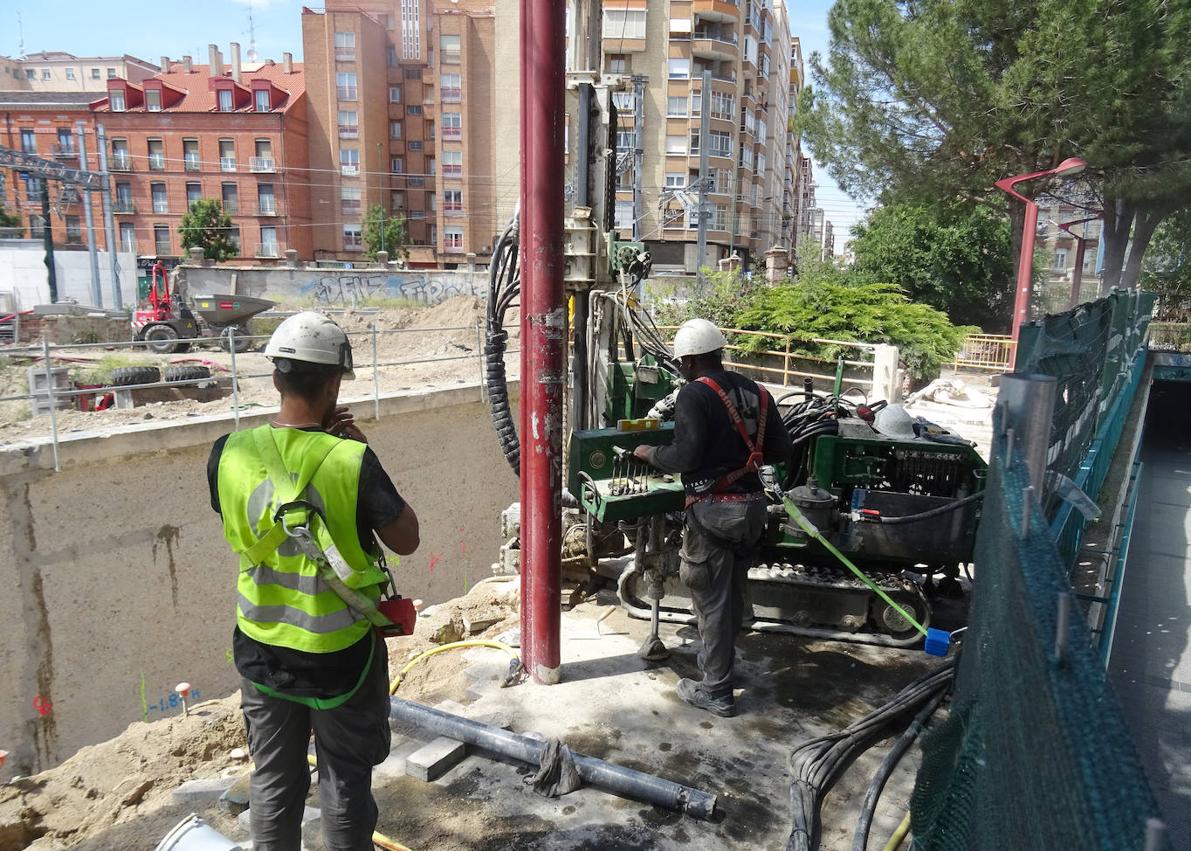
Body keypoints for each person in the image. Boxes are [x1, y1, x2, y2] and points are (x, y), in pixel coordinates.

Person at [207, 312, 419, 850]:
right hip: (340, 657)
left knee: (274, 782)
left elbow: (251, 513)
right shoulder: (352, 460)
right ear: (334, 384)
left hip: (262, 651)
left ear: (276, 378)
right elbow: (406, 537)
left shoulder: (227, 454)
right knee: (344, 784)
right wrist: (352, 451)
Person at [633, 318, 791, 717]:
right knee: (733, 595)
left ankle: (716, 690)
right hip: (753, 508)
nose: (681, 370)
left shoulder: (693, 394)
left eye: (681, 364)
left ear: (688, 362)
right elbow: (780, 449)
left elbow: (684, 456)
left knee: (711, 599)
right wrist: (737, 460)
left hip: (715, 513)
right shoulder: (758, 391)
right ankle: (722, 669)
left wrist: (651, 454)